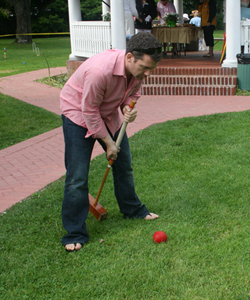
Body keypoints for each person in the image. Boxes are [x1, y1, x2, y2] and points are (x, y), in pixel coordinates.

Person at [60, 32, 162, 252]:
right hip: (78, 113)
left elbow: (133, 93)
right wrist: (108, 143)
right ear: (129, 58)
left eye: (150, 70)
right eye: (144, 68)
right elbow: (89, 111)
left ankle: (132, 209)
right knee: (77, 176)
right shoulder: (100, 71)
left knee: (123, 164)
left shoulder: (137, 72)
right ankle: (75, 233)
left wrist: (127, 106)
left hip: (106, 113)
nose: (146, 74)